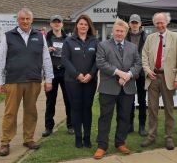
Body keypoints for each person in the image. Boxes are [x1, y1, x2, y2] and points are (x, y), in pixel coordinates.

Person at [0, 8, 54, 156]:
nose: (25, 21)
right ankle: (5, 142)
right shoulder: (8, 36)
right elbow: (1, 60)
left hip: (33, 81)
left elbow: (46, 59)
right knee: (10, 113)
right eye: (22, 19)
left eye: (28, 19)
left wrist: (49, 79)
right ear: (18, 20)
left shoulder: (40, 37)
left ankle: (28, 139)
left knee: (31, 111)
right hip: (13, 81)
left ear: (32, 20)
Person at [93, 19, 142, 159]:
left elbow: (138, 64)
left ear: (126, 32)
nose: (119, 33)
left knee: (124, 117)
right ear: (113, 31)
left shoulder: (132, 47)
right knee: (105, 118)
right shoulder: (103, 45)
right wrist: (118, 73)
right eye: (117, 31)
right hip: (108, 88)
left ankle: (120, 142)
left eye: (122, 31)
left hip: (127, 88)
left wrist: (128, 75)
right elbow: (101, 63)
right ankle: (102, 146)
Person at [141, 12, 177, 150]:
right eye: (157, 23)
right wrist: (148, 71)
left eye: (162, 22)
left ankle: (168, 137)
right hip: (152, 77)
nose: (160, 25)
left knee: (169, 109)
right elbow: (144, 56)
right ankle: (151, 136)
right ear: (154, 24)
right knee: (152, 109)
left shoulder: (176, 37)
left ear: (167, 22)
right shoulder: (150, 38)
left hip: (169, 78)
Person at [62, 14, 98, 148]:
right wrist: (77, 75)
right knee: (76, 109)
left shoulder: (95, 41)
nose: (83, 26)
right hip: (72, 81)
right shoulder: (69, 41)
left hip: (90, 81)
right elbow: (65, 59)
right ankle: (78, 137)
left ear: (89, 27)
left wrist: (91, 74)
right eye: (81, 24)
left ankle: (87, 137)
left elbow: (97, 61)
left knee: (87, 109)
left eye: (86, 24)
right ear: (77, 25)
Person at [42, 15, 74, 137]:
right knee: (50, 101)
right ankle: (48, 127)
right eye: (54, 22)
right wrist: (46, 51)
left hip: (65, 72)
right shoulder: (45, 39)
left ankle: (71, 125)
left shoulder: (68, 39)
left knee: (69, 100)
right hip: (51, 72)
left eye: (58, 22)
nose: (56, 24)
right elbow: (39, 55)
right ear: (50, 24)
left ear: (62, 24)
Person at [126, 14, 148, 136]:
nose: (134, 25)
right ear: (129, 24)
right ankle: (129, 125)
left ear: (140, 24)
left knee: (142, 100)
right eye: (132, 22)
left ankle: (142, 126)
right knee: (129, 99)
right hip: (128, 71)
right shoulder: (125, 36)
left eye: (136, 22)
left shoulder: (146, 37)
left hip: (142, 72)